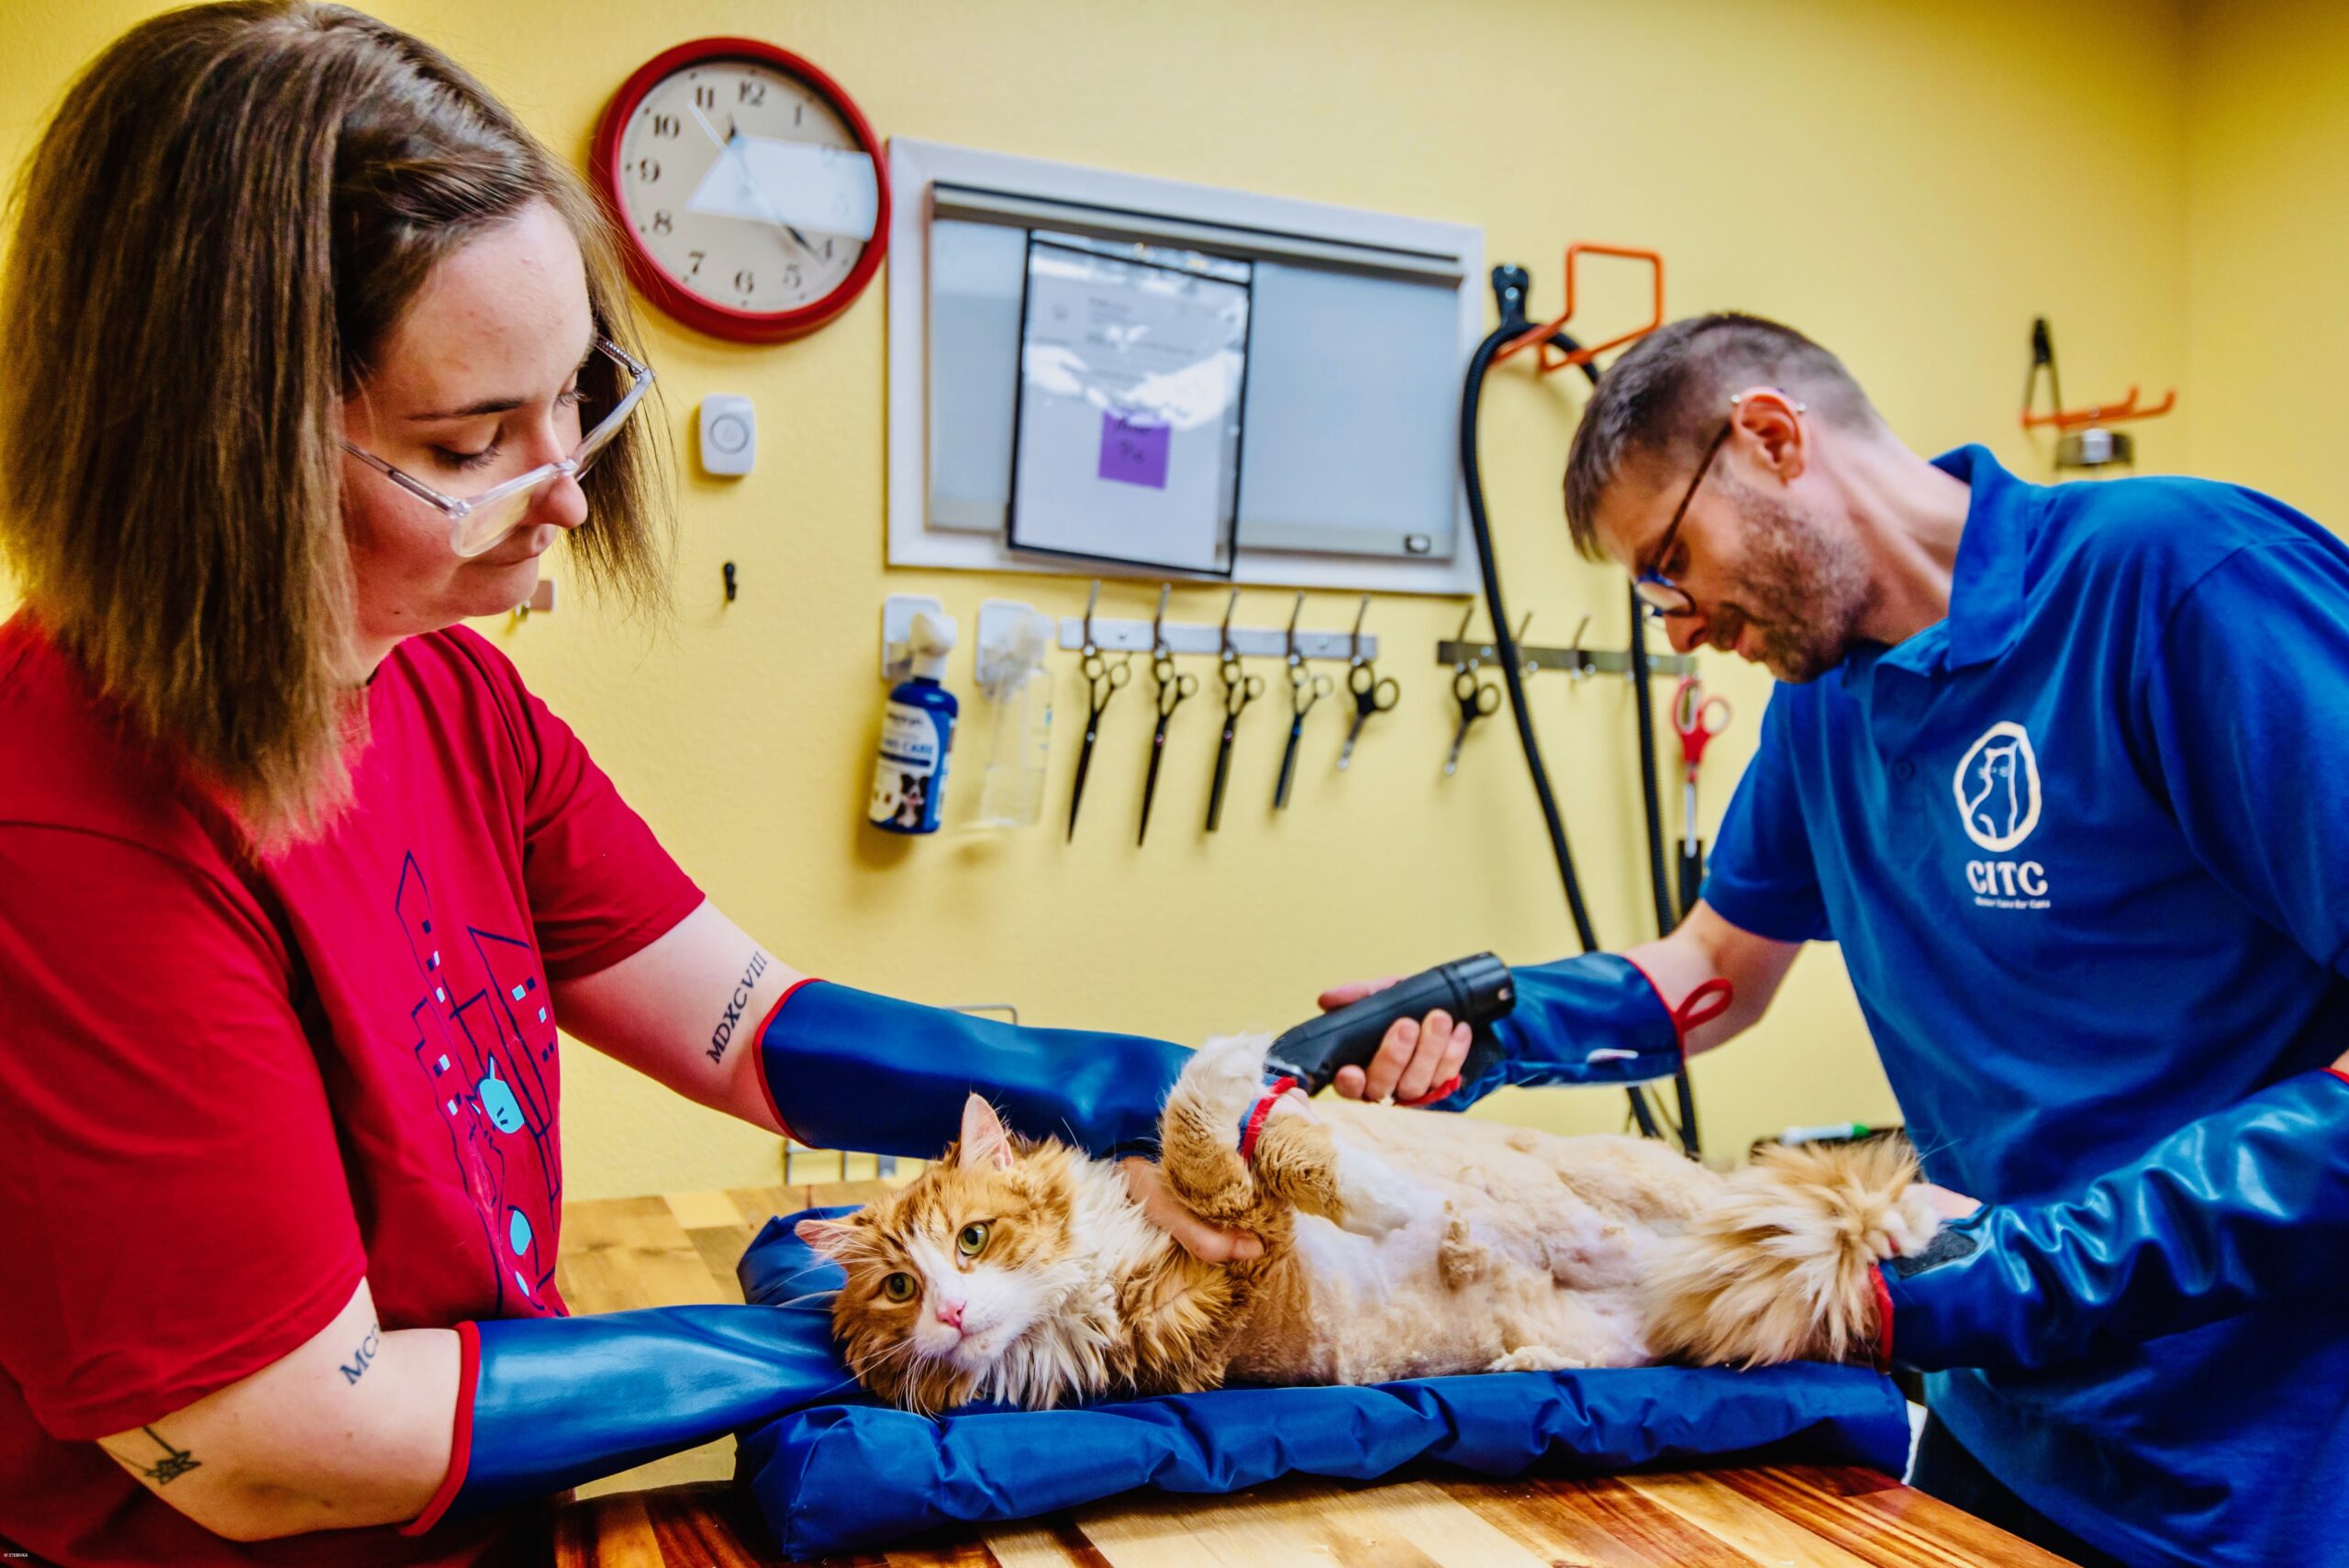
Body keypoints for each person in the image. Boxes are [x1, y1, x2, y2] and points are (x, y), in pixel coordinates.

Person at [0, 7, 1477, 1562]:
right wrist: (911, 1324)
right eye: (471, 436)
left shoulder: (451, 693)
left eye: (575, 394)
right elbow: (283, 1439)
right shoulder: (67, 825)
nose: (567, 484)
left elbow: (751, 1025)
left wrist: (1194, 1095)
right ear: (211, 449)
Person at [1327, 311, 2349, 1568]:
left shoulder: (2174, 583)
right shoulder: (1823, 714)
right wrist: (1483, 1024)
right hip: (1998, 1416)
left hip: (2265, 1466)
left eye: (1669, 563)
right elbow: (1708, 973)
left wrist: (2021, 1271)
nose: (1682, 625)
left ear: (1769, 437)